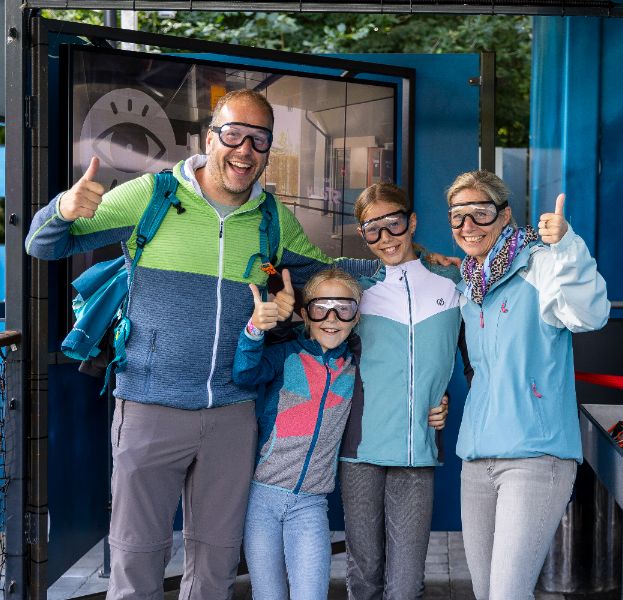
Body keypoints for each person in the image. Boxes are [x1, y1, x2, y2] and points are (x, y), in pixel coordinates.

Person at [24, 88, 382, 600]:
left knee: (215, 566)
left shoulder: (270, 219)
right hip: (150, 405)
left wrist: (403, 265)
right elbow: (43, 244)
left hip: (232, 414)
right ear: (209, 137)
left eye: (259, 140)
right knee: (136, 560)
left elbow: (324, 271)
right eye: (233, 135)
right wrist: (62, 207)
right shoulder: (152, 195)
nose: (244, 150)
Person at [446, 170, 610, 600]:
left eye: (480, 213)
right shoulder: (469, 284)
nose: (468, 226)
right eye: (458, 217)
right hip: (477, 457)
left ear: (504, 216)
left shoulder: (539, 262)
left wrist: (567, 245)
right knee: (486, 593)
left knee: (507, 594)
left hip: (536, 455)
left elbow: (589, 313)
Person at [338, 182, 462, 600]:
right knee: (365, 576)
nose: (385, 238)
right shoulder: (354, 282)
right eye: (372, 229)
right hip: (360, 447)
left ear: (411, 222)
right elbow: (293, 265)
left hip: (417, 448)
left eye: (393, 224)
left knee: (406, 583)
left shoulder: (453, 280)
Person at [232, 268, 362, 600]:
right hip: (262, 499)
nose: (331, 318)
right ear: (305, 313)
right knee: (268, 595)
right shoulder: (287, 356)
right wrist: (254, 330)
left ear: (356, 316)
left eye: (344, 308)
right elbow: (245, 373)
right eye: (321, 307)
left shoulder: (356, 369)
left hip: (310, 505)